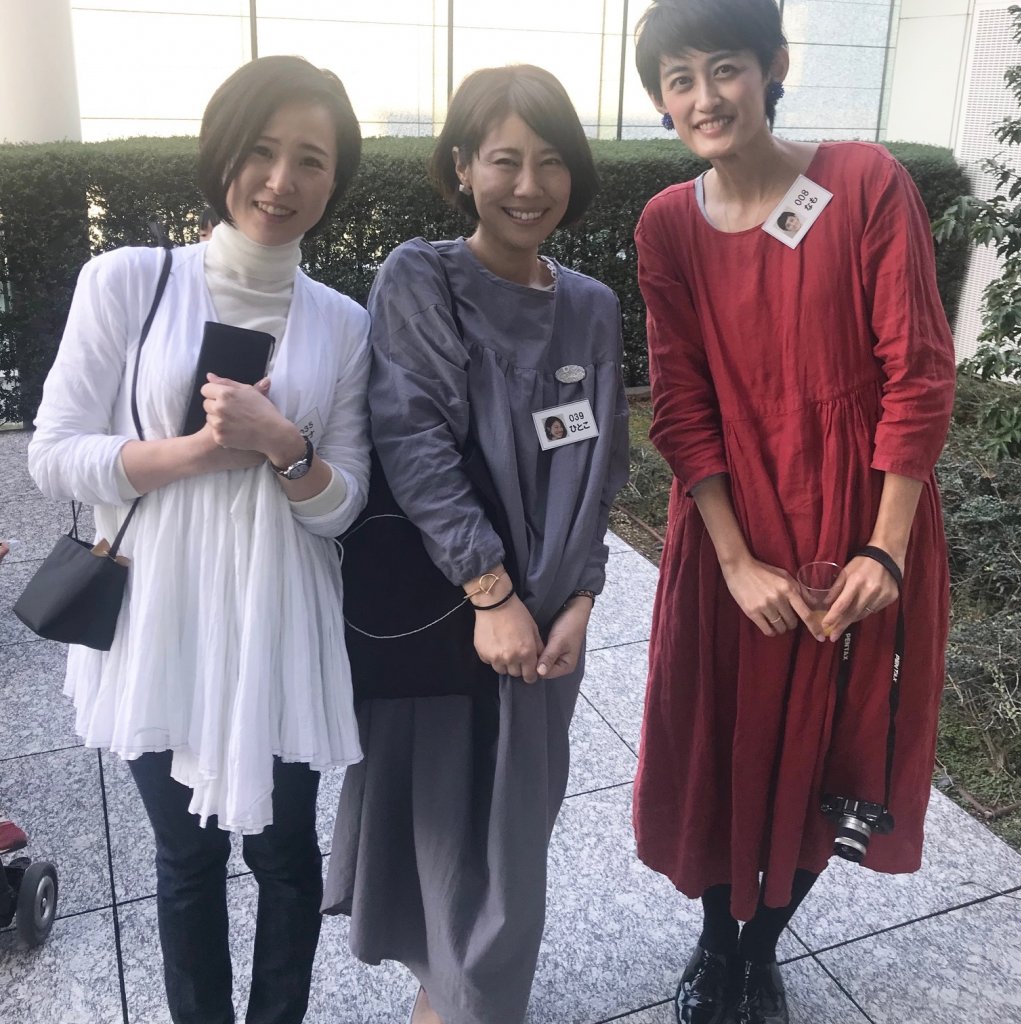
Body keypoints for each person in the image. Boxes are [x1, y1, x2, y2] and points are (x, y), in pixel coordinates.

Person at [27, 55, 370, 1024]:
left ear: (334, 181)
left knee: (285, 856)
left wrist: (285, 445)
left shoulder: (344, 324)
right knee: (185, 859)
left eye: (311, 160)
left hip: (282, 629)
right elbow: (52, 456)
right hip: (161, 621)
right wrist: (198, 451)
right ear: (222, 154)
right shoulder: (128, 282)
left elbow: (343, 506)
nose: (281, 180)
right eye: (261, 150)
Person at [630, 2, 956, 1023]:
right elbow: (680, 406)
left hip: (858, 523)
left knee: (833, 748)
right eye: (678, 79)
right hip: (732, 532)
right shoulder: (667, 225)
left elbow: (917, 371)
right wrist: (733, 562)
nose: (703, 97)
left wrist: (885, 551)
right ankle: (714, 943)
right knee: (723, 743)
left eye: (723, 67)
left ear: (773, 66)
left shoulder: (864, 182)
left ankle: (759, 950)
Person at [322, 64, 630, 1024]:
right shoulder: (423, 277)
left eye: (551, 161)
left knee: (515, 836)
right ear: (462, 167)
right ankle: (456, 1003)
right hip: (453, 612)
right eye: (504, 160)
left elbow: (603, 466)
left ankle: (454, 1001)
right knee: (445, 842)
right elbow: (412, 440)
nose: (529, 185)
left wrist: (581, 599)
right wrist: (491, 596)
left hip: (549, 629)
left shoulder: (591, 305)